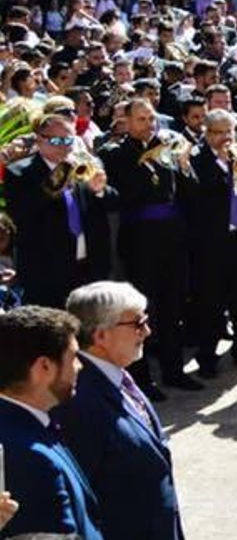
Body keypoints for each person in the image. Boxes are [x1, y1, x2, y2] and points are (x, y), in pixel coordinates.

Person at [59, 282, 184, 540]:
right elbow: (82, 497)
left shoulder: (117, 375)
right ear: (100, 335)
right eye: (137, 324)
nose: (147, 331)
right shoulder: (81, 400)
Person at [100, 98, 200, 394]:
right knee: (141, 312)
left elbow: (189, 191)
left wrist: (184, 165)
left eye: (151, 119)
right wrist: (145, 157)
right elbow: (122, 195)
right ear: (127, 122)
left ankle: (174, 370)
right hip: (141, 239)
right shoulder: (116, 153)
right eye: (141, 119)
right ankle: (142, 378)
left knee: (172, 306)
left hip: (172, 237)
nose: (148, 125)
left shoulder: (168, 149)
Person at [0, 305, 101, 540]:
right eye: (74, 357)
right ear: (43, 366)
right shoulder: (29, 456)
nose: (80, 366)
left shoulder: (34, 420)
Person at [3, 109, 116, 309]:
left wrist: (100, 191)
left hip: (87, 265)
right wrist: (55, 180)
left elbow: (114, 202)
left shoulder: (83, 165)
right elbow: (21, 213)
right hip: (46, 269)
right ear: (39, 140)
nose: (64, 146)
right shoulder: (19, 172)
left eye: (69, 140)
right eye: (56, 141)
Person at [184, 110, 237, 375]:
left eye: (228, 132)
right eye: (217, 133)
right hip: (211, 243)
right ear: (206, 133)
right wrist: (221, 165)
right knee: (210, 303)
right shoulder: (196, 158)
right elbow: (194, 196)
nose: (224, 138)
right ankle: (207, 358)